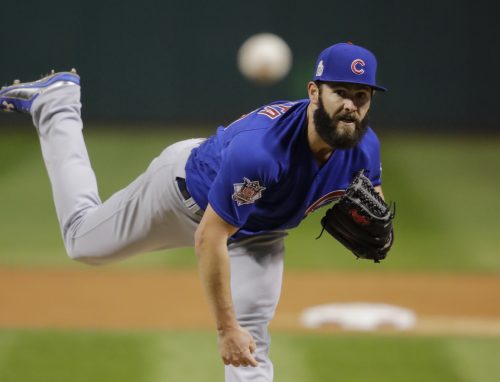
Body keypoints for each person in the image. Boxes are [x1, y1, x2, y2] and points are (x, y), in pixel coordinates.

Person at [0, 42, 388, 381]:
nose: (351, 106)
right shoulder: (261, 153)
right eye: (340, 92)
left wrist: (378, 222)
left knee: (251, 341)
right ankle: (57, 105)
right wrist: (224, 328)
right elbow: (211, 236)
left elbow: (373, 194)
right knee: (81, 242)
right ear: (314, 92)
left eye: (361, 95)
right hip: (182, 197)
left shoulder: (365, 145)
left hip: (260, 232)